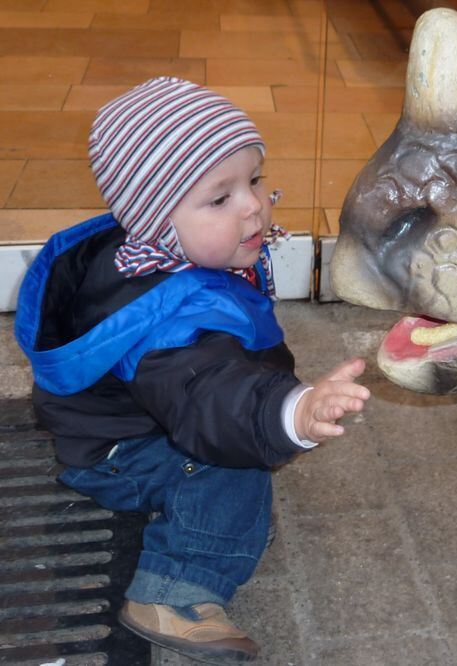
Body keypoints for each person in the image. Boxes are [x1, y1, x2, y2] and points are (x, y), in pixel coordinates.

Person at [14, 77, 370, 663]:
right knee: (232, 470)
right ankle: (174, 591)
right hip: (120, 452)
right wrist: (291, 412)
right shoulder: (169, 322)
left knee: (235, 462)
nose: (254, 204)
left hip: (130, 420)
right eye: (219, 197)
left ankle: (215, 518)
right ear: (156, 217)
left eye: (253, 180)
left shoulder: (152, 251)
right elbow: (209, 394)